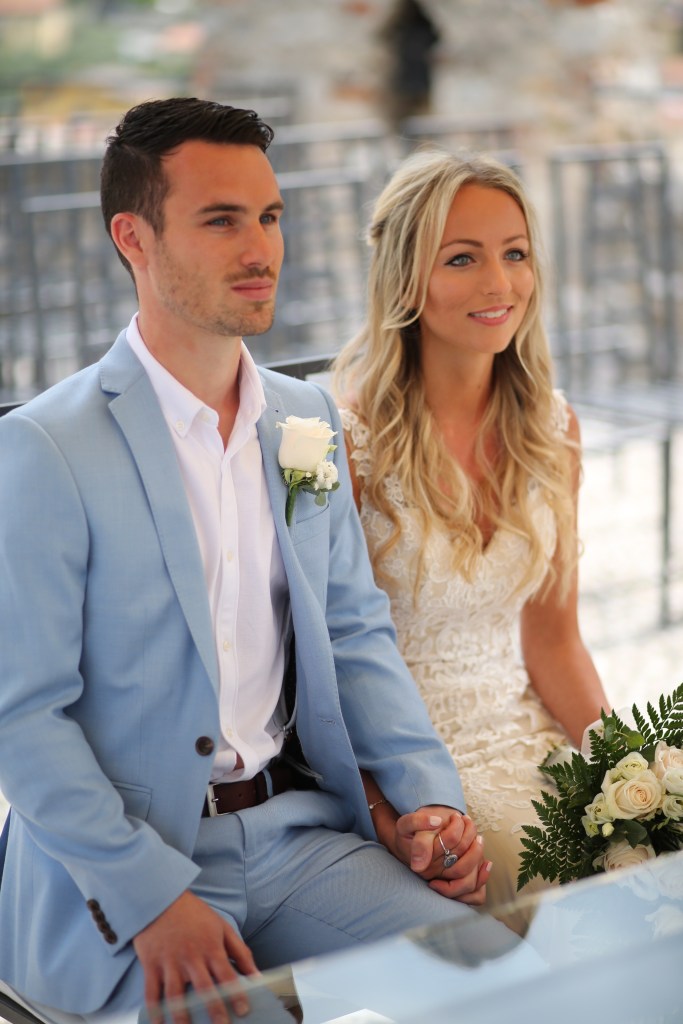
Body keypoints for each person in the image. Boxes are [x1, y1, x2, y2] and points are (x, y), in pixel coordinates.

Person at [0, 100, 503, 1024]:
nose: (260, 249)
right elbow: (22, 717)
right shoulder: (46, 447)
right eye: (221, 220)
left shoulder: (304, 420)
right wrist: (150, 899)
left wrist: (429, 801)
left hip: (294, 839)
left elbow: (353, 631)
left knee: (505, 986)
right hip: (127, 875)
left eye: (269, 216)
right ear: (134, 238)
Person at [332, 149, 611, 930]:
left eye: (514, 253)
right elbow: (321, 668)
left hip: (530, 735)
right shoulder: (347, 446)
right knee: (558, 883)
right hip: (417, 766)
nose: (499, 283)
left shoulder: (553, 430)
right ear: (404, 280)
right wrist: (388, 813)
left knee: (655, 849)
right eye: (461, 258)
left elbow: (554, 642)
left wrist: (626, 765)